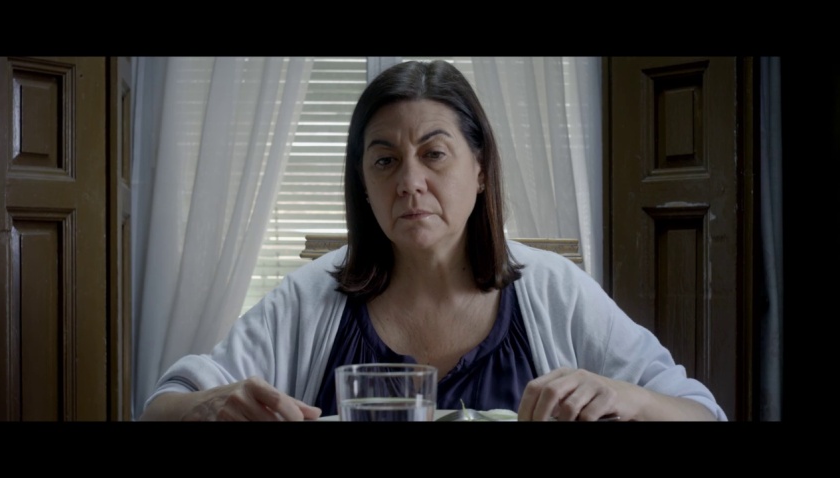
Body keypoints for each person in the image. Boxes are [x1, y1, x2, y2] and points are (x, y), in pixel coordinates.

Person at [140, 59, 727, 422]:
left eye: (434, 154)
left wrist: (623, 396)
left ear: (480, 169)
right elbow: (163, 404)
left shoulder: (556, 291)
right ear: (363, 184)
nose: (409, 182)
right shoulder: (309, 298)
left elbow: (701, 412)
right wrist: (208, 407)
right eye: (385, 161)